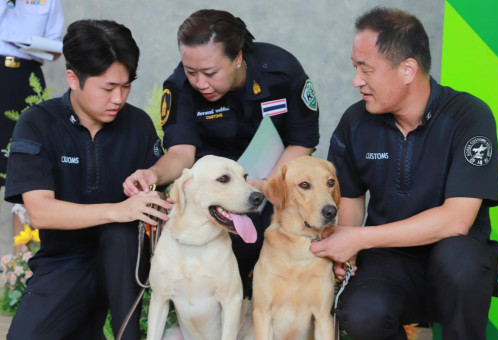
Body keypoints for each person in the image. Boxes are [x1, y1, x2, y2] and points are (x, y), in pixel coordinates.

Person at [310, 7, 498, 340]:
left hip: (454, 261)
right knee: (360, 313)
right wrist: (346, 248)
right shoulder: (355, 123)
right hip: (388, 261)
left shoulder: (469, 116)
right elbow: (351, 205)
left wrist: (359, 239)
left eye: (365, 69)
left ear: (407, 69)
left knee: (460, 260)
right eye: (354, 67)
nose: (356, 80)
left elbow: (455, 221)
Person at [123, 9, 320, 287]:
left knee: (291, 248)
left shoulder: (281, 71)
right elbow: (181, 153)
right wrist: (153, 175)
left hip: (277, 179)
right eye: (191, 72)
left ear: (238, 58)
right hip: (218, 193)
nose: (200, 83)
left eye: (210, 72)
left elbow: (302, 141)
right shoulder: (180, 88)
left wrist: (269, 185)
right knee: (223, 264)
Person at [4, 19, 172, 339]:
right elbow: (40, 212)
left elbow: (154, 204)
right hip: (63, 263)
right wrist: (118, 209)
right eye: (108, 88)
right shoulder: (38, 123)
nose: (118, 99)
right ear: (73, 78)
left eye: (126, 86)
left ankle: (127, 334)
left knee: (122, 236)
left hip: (127, 264)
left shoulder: (137, 125)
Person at [0, 0, 64, 255]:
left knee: (25, 169)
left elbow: (56, 47)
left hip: (26, 78)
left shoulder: (49, 2)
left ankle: (21, 266)